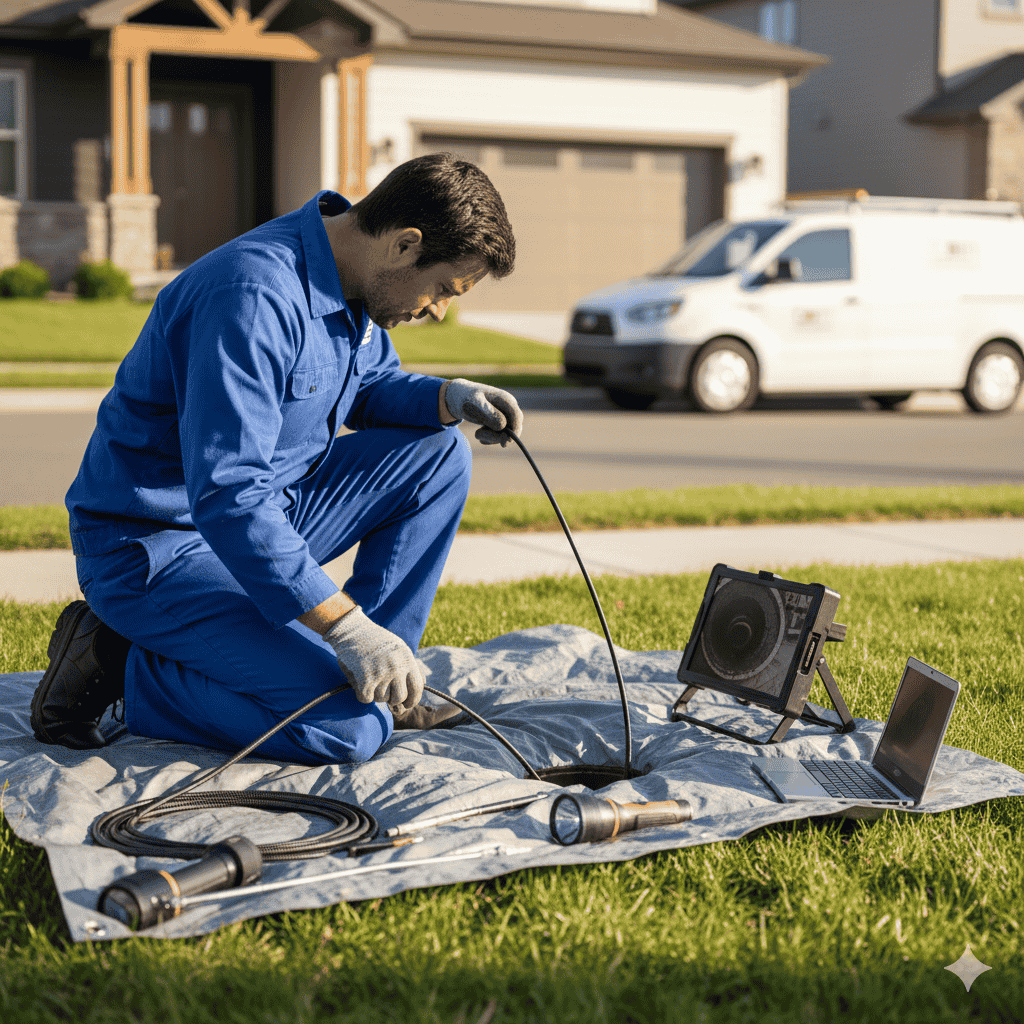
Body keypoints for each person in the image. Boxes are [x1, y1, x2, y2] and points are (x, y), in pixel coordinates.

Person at [30, 153, 522, 767]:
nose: (438, 311)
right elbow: (229, 494)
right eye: (445, 289)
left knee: (437, 452)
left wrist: (448, 398)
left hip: (263, 523)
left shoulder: (354, 283)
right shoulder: (251, 295)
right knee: (349, 731)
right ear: (405, 245)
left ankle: (389, 678)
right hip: (157, 550)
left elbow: (368, 389)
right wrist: (344, 626)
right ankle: (126, 666)